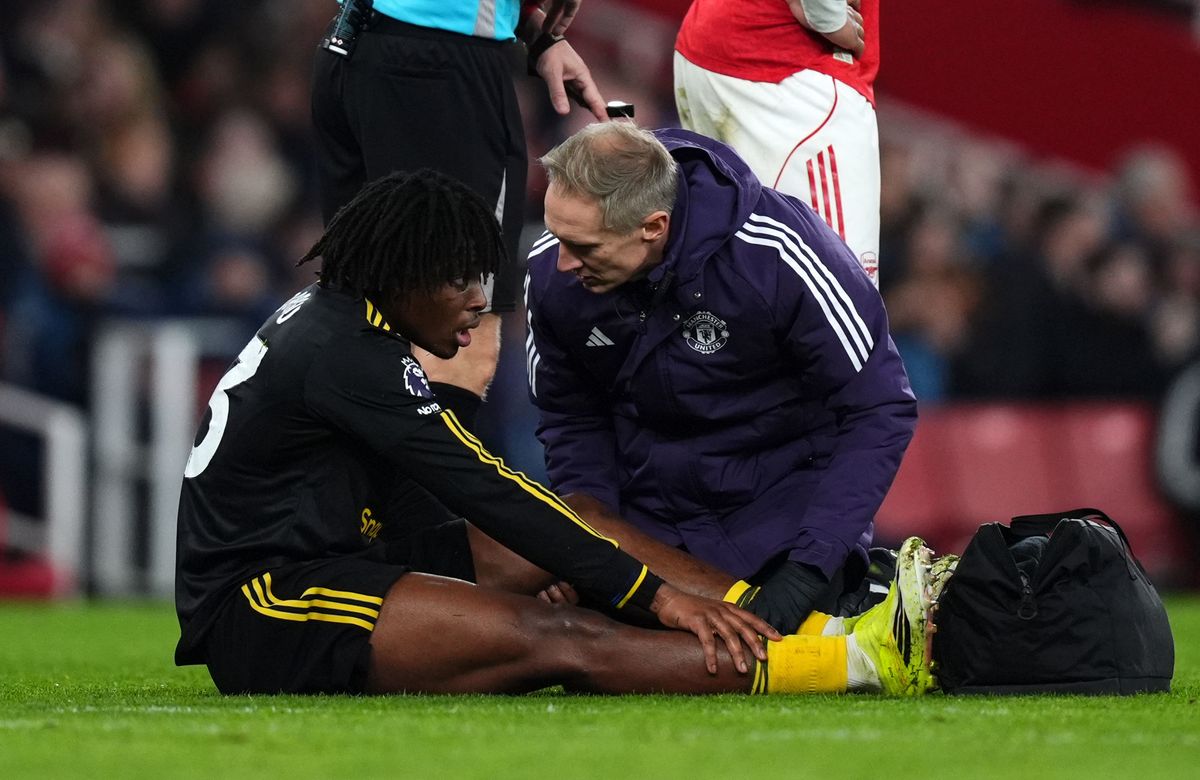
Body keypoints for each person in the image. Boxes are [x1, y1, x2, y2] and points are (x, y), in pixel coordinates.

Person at [173, 169, 936, 696]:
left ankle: (813, 621)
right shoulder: (342, 356)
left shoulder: (346, 322)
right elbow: (480, 485)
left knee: (587, 524)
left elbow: (411, 493)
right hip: (269, 606)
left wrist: (575, 560)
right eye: (460, 281)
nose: (478, 302)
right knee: (560, 633)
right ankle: (852, 664)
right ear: (401, 278)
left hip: (353, 555)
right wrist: (655, 596)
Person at [524, 122, 918, 638]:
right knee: (548, 627)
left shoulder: (780, 253)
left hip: (777, 518)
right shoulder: (553, 277)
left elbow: (879, 406)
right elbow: (572, 417)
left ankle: (853, 588)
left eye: (584, 246)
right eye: (556, 235)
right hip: (648, 526)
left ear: (653, 227)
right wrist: (591, 541)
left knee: (766, 649)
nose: (562, 262)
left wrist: (810, 564)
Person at [309, 0, 608, 431]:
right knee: (458, 337)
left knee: (367, 321)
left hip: (350, 47)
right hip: (442, 71)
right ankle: (416, 500)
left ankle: (353, 498)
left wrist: (529, 28)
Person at [673, 0, 882, 286]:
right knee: (845, 294)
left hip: (719, 44)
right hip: (788, 66)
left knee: (726, 280)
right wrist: (826, 14)